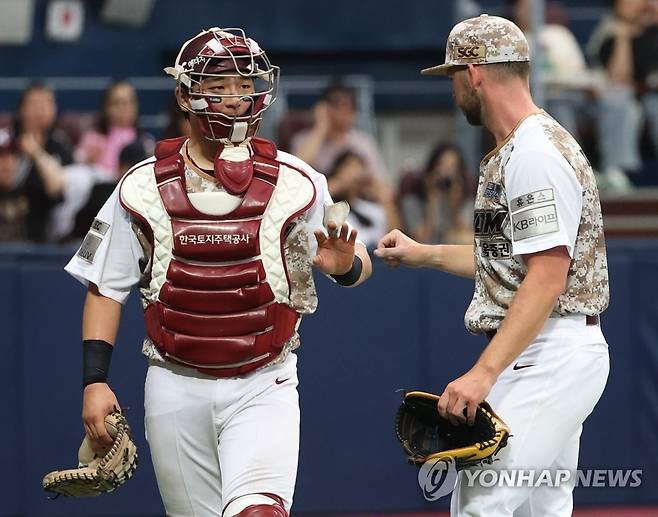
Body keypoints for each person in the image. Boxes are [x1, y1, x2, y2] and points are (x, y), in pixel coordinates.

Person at [64, 27, 371, 517]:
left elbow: (360, 263)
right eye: (219, 85)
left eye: (244, 85)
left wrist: (346, 266)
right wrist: (94, 382)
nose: (234, 99)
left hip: (263, 381)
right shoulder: (140, 186)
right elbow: (105, 289)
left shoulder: (298, 181)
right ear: (186, 94)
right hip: (174, 383)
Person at [375, 15, 609, 516]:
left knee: (482, 501)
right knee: (537, 509)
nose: (453, 88)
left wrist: (483, 373)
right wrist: (426, 253)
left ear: (474, 72)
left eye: (453, 75)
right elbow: (515, 262)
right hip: (544, 348)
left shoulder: (534, 154)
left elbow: (548, 277)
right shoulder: (520, 148)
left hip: (550, 351)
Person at [290, 82, 391, 180]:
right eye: (337, 105)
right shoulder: (303, 140)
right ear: (322, 108)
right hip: (318, 195)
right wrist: (320, 129)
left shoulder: (363, 142)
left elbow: (384, 187)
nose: (345, 112)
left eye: (350, 106)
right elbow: (295, 174)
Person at [398, 143, 473, 244]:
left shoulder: (466, 198)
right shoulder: (413, 198)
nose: (446, 173)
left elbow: (467, 239)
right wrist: (431, 200)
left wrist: (454, 206)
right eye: (442, 165)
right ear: (431, 169)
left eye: (453, 167)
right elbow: (420, 240)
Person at [75, 81, 153, 178]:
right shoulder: (92, 138)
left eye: (128, 102)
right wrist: (87, 161)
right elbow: (78, 167)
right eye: (117, 103)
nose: (123, 108)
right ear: (106, 107)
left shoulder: (145, 141)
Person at [326, 150, 399, 247]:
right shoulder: (331, 207)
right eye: (348, 167)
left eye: (358, 167)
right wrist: (333, 187)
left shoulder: (371, 208)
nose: (354, 172)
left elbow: (394, 236)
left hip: (378, 254)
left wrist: (386, 201)